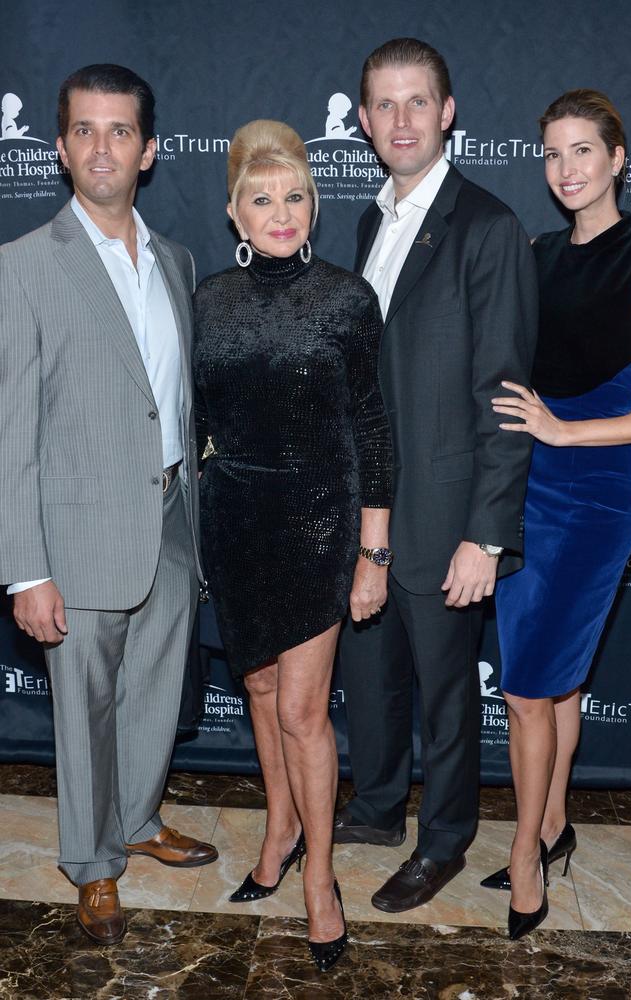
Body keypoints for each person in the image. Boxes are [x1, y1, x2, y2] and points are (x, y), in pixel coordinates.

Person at [0, 64, 217, 946]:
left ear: (149, 150)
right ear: (60, 149)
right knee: (84, 708)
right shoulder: (22, 267)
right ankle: (92, 865)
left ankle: (134, 819)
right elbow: (12, 429)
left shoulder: (178, 259)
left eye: (119, 131)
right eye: (84, 130)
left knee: (155, 691)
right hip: (76, 531)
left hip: (170, 517)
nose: (102, 146)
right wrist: (27, 567)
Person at [335, 37, 538, 914]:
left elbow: (504, 395)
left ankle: (445, 839)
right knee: (373, 679)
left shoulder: (487, 226)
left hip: (449, 515)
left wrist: (485, 534)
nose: (401, 120)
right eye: (384, 104)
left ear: (448, 113)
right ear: (366, 121)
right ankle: (377, 807)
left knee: (450, 699)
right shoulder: (369, 220)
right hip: (371, 513)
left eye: (418, 101)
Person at [193, 119, 392, 971]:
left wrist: (372, 548)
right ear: (235, 213)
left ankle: (319, 876)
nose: (280, 213)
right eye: (261, 199)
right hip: (237, 519)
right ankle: (277, 829)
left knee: (305, 709)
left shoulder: (350, 298)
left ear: (315, 204)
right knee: (262, 686)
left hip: (320, 520)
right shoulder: (206, 300)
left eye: (295, 196)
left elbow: (375, 428)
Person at [483, 89, 631, 939]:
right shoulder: (538, 252)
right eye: (552, 153)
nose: (566, 169)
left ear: (618, 159)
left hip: (593, 499)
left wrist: (564, 426)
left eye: (582, 150)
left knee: (526, 688)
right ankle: (550, 826)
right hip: (524, 489)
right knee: (555, 684)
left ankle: (522, 857)